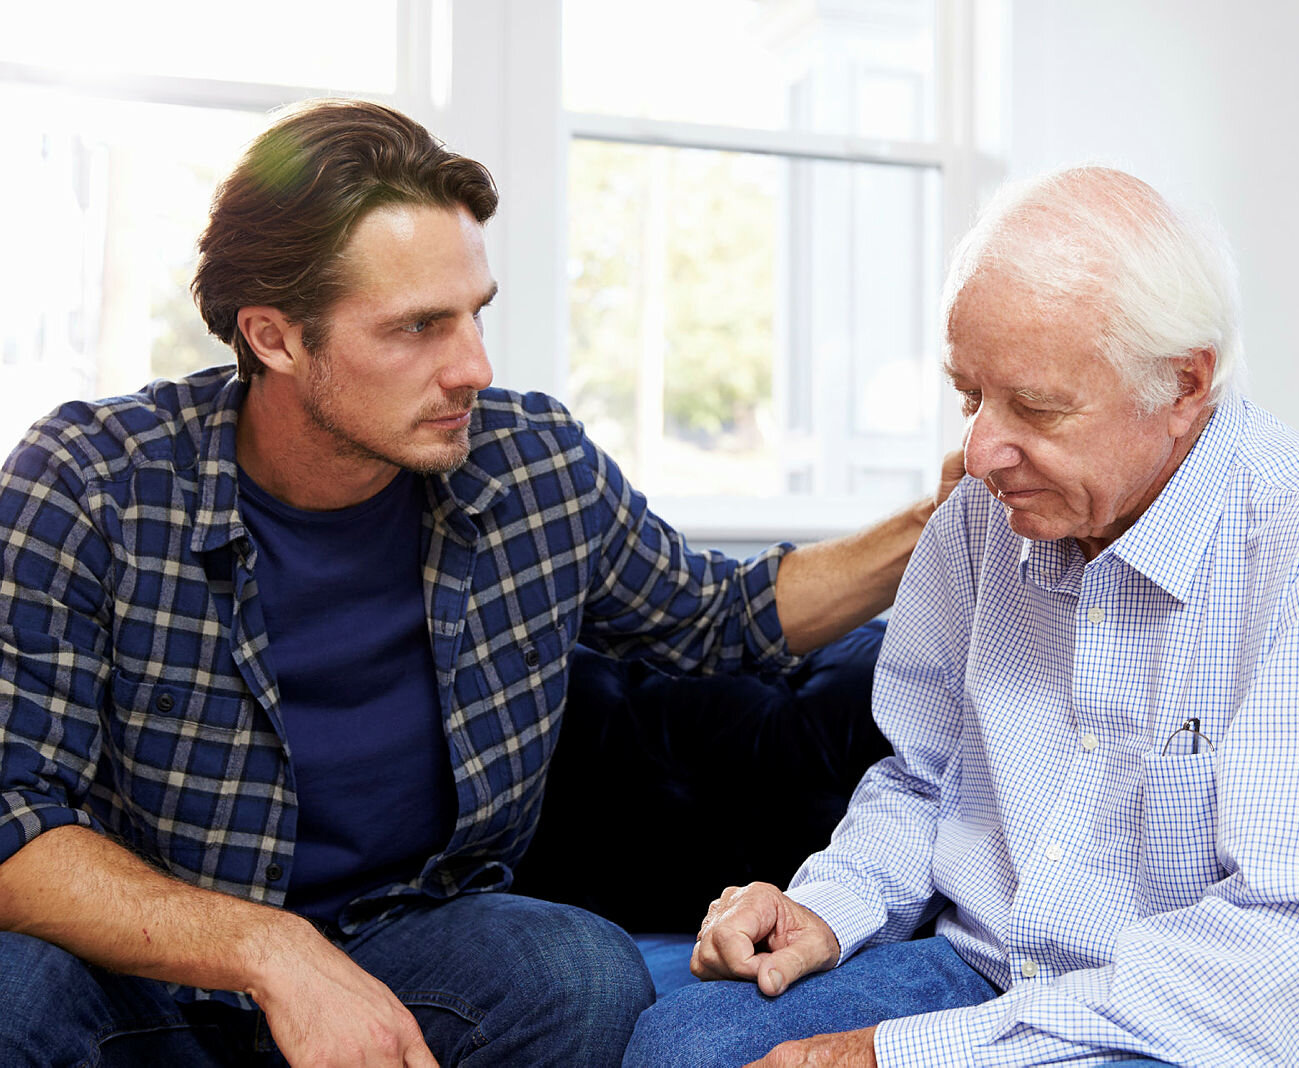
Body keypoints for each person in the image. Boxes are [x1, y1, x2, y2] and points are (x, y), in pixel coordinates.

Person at [0, 98, 958, 1067]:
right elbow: (11, 816)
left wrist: (941, 519)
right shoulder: (92, 482)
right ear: (275, 338)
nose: (473, 367)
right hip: (146, 963)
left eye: (473, 314)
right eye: (418, 327)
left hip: (401, 944)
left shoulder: (528, 466)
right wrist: (268, 951)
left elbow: (722, 618)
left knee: (573, 969)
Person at [625, 167, 1299, 1067]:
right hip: (1007, 971)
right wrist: (830, 907)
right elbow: (927, 781)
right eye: (970, 396)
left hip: (1297, 1025)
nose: (981, 451)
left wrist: (895, 1054)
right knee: (688, 1047)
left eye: (1036, 407)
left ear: (1183, 386)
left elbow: (1289, 958)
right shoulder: (982, 514)